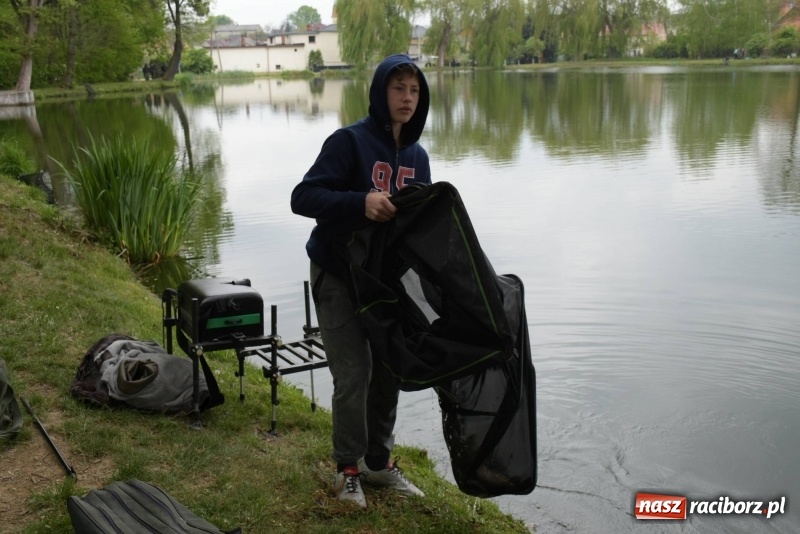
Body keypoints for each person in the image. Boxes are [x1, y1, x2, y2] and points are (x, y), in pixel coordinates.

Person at [290, 54, 431, 508]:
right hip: (336, 271)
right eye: (398, 89)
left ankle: (377, 462)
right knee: (354, 372)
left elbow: (418, 227)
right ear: (379, 92)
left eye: (414, 91)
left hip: (384, 282)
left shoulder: (417, 156)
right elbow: (303, 197)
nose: (407, 98)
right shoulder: (347, 142)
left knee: (388, 367)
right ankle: (347, 468)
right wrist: (360, 202)